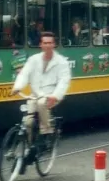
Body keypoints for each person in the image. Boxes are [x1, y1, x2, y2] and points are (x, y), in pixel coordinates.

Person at [10, 32, 71, 164]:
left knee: (42, 103)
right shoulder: (33, 60)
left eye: (50, 43)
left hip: (51, 95)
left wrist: (56, 96)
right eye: (45, 43)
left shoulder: (61, 62)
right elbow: (24, 74)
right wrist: (17, 87)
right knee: (27, 122)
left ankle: (46, 133)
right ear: (40, 45)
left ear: (54, 45)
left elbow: (64, 81)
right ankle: (31, 147)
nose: (48, 45)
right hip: (35, 95)